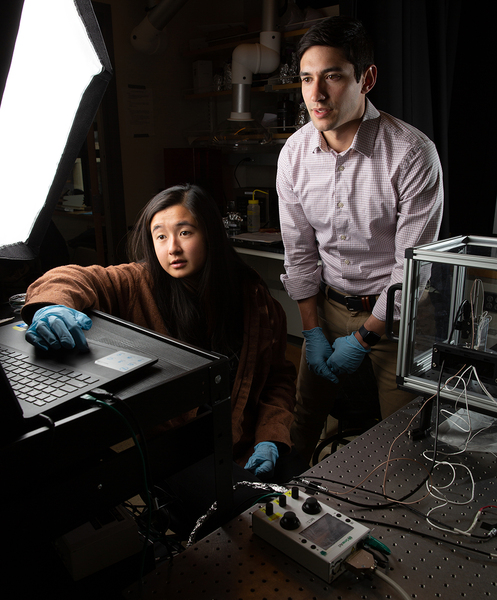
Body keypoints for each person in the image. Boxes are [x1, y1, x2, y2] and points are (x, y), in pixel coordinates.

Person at [22, 183, 299, 481]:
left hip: (246, 440)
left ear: (211, 234)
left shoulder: (257, 300)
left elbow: (277, 380)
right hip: (175, 452)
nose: (172, 249)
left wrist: (270, 436)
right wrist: (53, 306)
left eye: (185, 232)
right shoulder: (138, 284)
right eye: (161, 236)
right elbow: (70, 277)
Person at [277, 16, 444, 462]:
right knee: (302, 422)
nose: (316, 94)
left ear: (366, 78)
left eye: (332, 76)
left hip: (402, 315)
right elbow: (300, 253)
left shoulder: (411, 154)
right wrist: (311, 329)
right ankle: (278, 501)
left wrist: (365, 339)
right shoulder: (293, 154)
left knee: (406, 441)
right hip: (327, 308)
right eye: (308, 79)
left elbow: (412, 269)